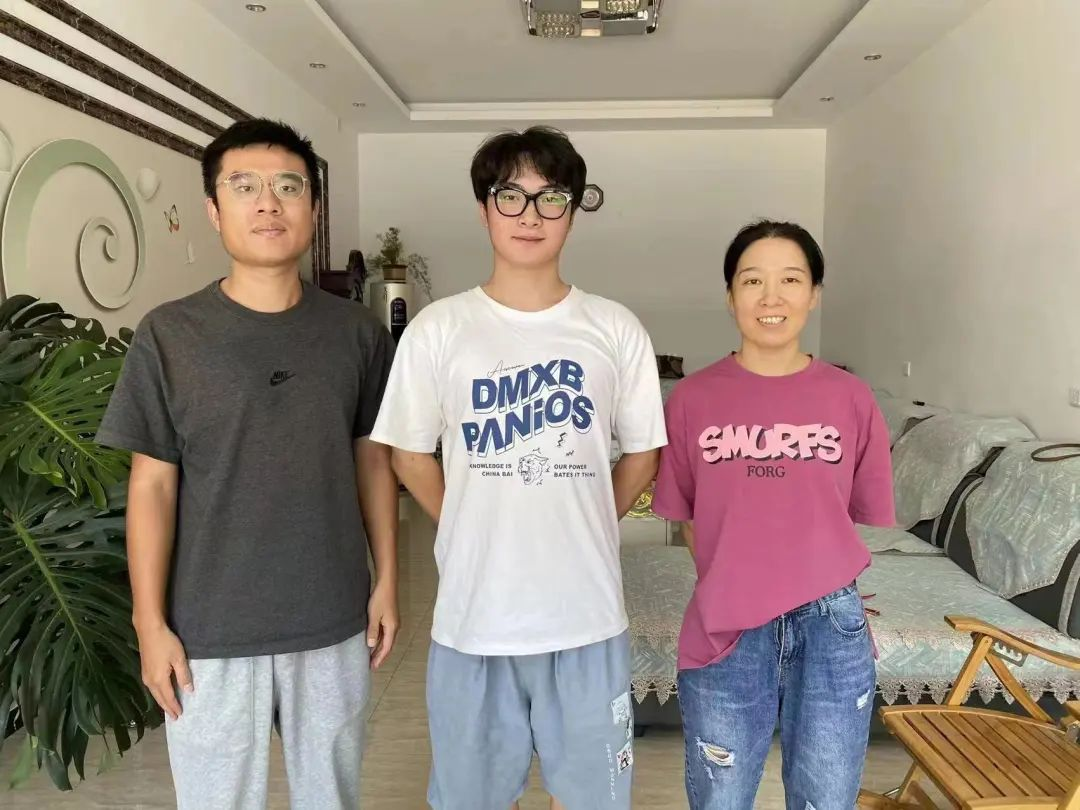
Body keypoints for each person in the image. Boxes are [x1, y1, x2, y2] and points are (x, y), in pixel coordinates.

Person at [96, 119, 399, 810]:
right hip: (208, 625)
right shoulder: (169, 334)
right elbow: (152, 486)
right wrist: (149, 623)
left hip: (331, 616)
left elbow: (373, 462)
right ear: (214, 209)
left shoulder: (356, 334)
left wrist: (387, 580)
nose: (268, 203)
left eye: (288, 187)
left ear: (313, 208)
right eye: (245, 187)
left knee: (332, 798)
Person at [369, 126, 667, 810]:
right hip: (475, 619)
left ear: (572, 212)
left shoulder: (614, 327)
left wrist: (588, 516)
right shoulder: (439, 329)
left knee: (592, 800)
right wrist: (467, 515)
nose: (530, 215)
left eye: (550, 197)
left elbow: (643, 453)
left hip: (587, 617)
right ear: (484, 209)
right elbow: (408, 454)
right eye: (511, 196)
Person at [652, 220, 895, 810]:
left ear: (814, 294)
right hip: (726, 626)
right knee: (722, 798)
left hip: (831, 625)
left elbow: (848, 517)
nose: (771, 297)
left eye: (790, 280)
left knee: (824, 800)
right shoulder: (691, 399)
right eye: (752, 280)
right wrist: (738, 580)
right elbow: (688, 520)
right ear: (730, 295)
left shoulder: (851, 398)